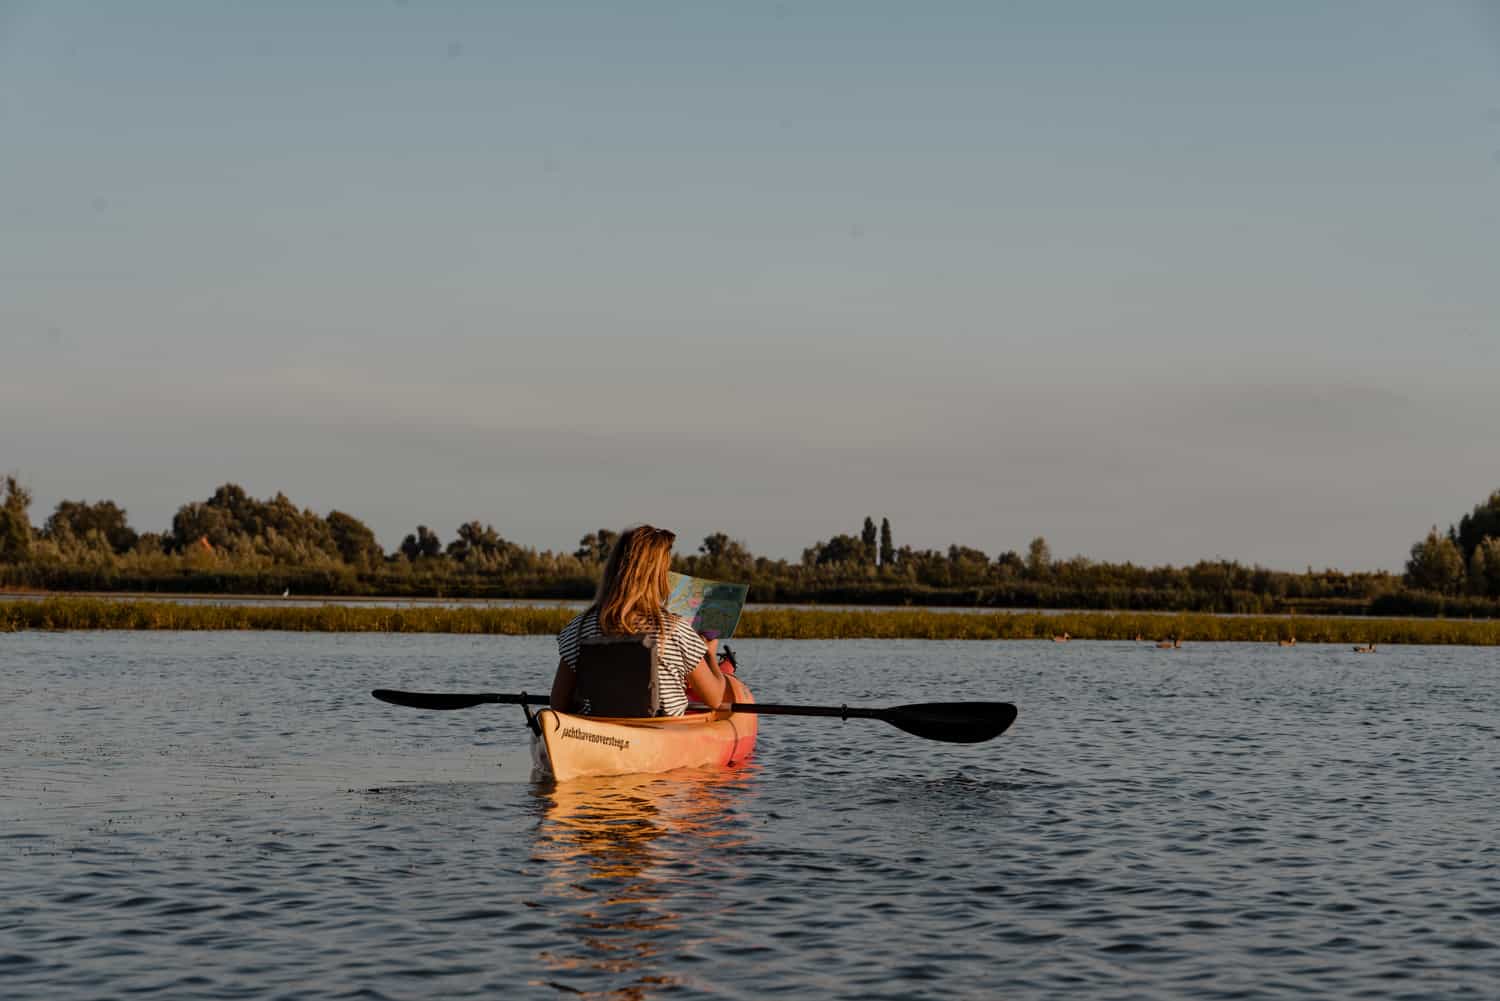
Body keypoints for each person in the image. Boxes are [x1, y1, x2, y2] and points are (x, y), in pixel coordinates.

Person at [550, 524, 737, 716]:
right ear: (657, 576)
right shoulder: (674, 629)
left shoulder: (580, 627)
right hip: (661, 732)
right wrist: (709, 655)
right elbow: (714, 699)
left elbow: (558, 704)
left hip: (601, 729)